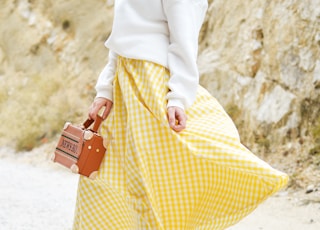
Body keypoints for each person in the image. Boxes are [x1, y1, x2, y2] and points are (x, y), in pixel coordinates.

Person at [73, 0, 288, 229]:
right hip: (123, 86)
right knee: (103, 173)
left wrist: (178, 97)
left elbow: (184, 43)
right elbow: (120, 41)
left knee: (149, 177)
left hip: (150, 84)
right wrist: (105, 90)